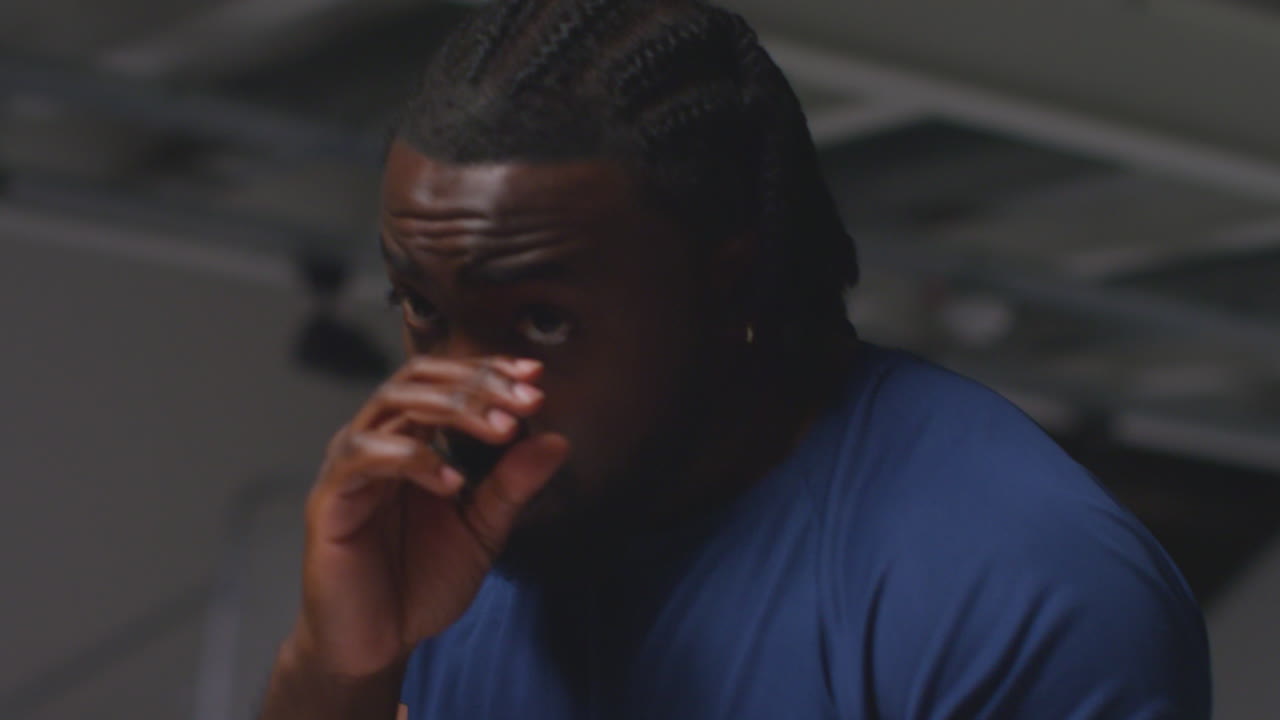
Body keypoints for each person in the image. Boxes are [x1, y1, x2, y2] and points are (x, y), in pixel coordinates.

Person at [257, 1, 1212, 718]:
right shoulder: (463, 543)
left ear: (727, 288)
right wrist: (338, 667)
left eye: (542, 321)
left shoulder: (1014, 584)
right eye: (421, 306)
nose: (460, 404)